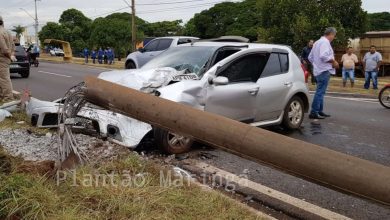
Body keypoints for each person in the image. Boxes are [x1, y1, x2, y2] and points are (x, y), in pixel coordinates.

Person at [308, 27, 339, 119]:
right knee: (320, 92)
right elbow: (323, 56)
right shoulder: (325, 42)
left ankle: (319, 111)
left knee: (321, 91)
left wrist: (316, 65)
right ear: (331, 34)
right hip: (324, 70)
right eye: (334, 36)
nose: (334, 37)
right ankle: (314, 112)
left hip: (318, 70)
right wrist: (333, 62)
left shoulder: (317, 42)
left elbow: (310, 57)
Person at [0, 16, 15, 102]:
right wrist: (12, 55)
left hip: (2, 58)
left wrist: (9, 56)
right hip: (6, 59)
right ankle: (4, 98)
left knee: (4, 79)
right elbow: (13, 46)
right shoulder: (7, 32)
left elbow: (4, 49)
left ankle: (8, 99)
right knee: (3, 79)